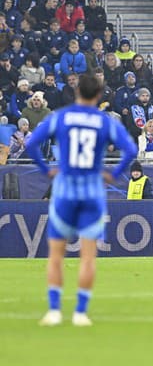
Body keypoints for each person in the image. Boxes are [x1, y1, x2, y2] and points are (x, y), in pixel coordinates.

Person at [27, 74, 137, 326]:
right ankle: (80, 312)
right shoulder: (104, 121)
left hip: (64, 189)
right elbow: (130, 150)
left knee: (56, 255)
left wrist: (46, 170)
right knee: (88, 257)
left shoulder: (61, 116)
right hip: (91, 190)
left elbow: (32, 143)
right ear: (99, 95)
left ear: (76, 92)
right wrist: (114, 174)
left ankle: (54, 311)